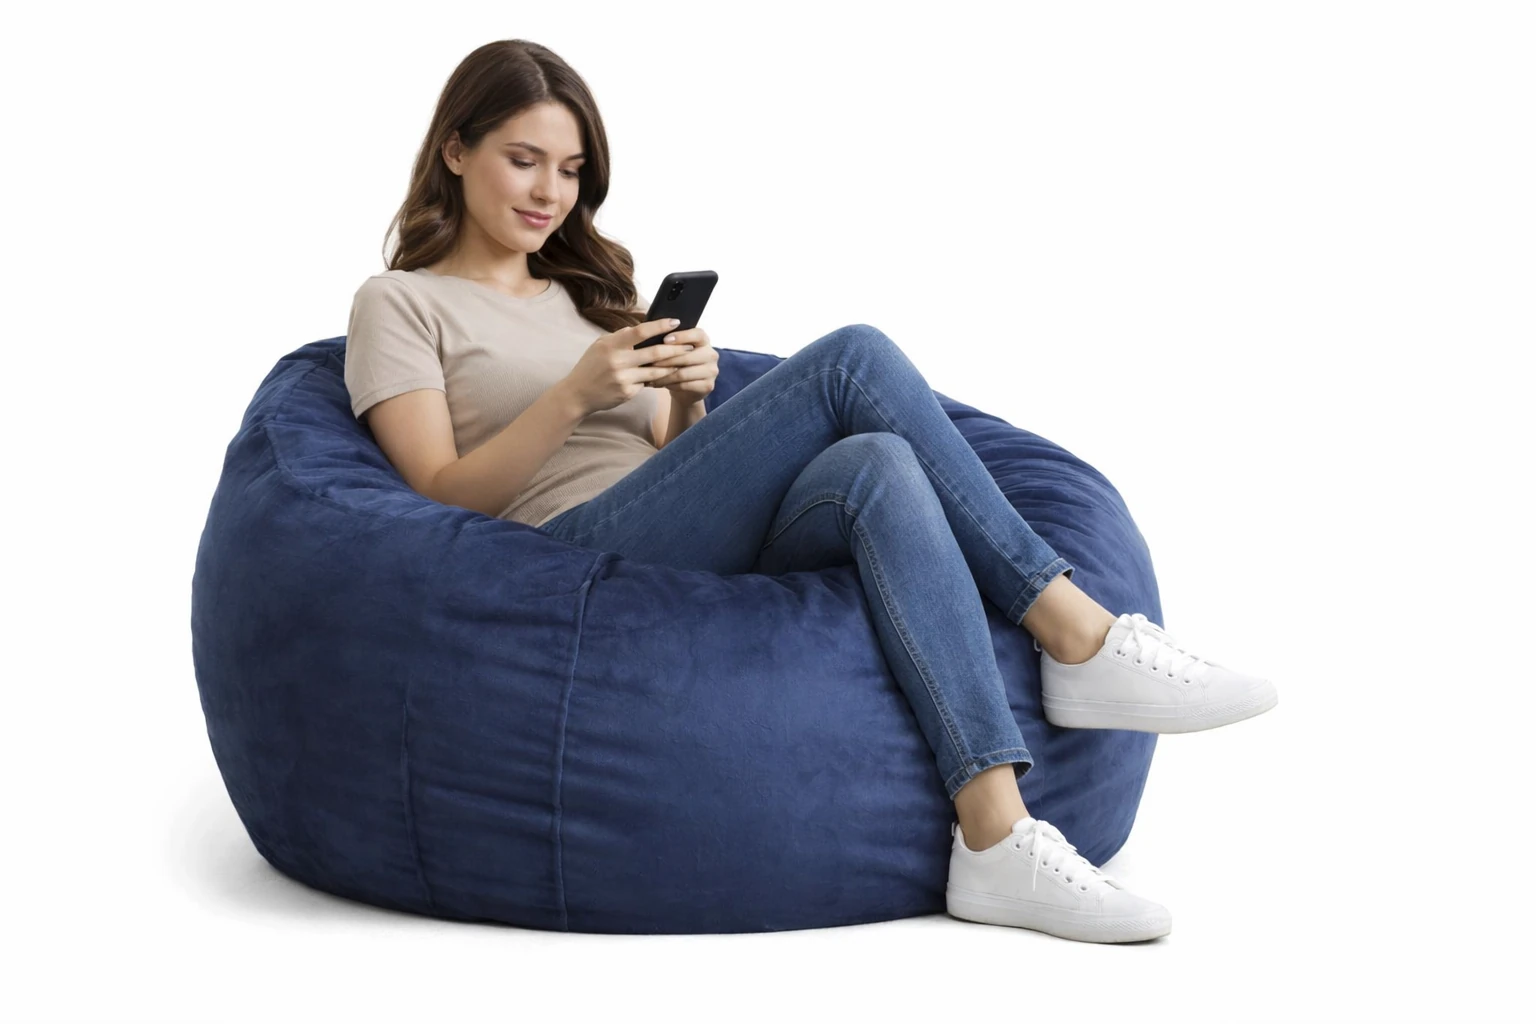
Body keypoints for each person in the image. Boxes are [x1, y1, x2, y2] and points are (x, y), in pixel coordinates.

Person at [343, 39, 1278, 945]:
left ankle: (995, 834)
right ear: (456, 150)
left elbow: (666, 462)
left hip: (670, 533)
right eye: (524, 160)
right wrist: (573, 395)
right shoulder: (400, 303)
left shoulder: (588, 292)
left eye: (571, 169)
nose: (551, 192)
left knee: (881, 464)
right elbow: (437, 493)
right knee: (854, 360)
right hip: (568, 556)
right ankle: (1078, 635)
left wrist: (689, 399)